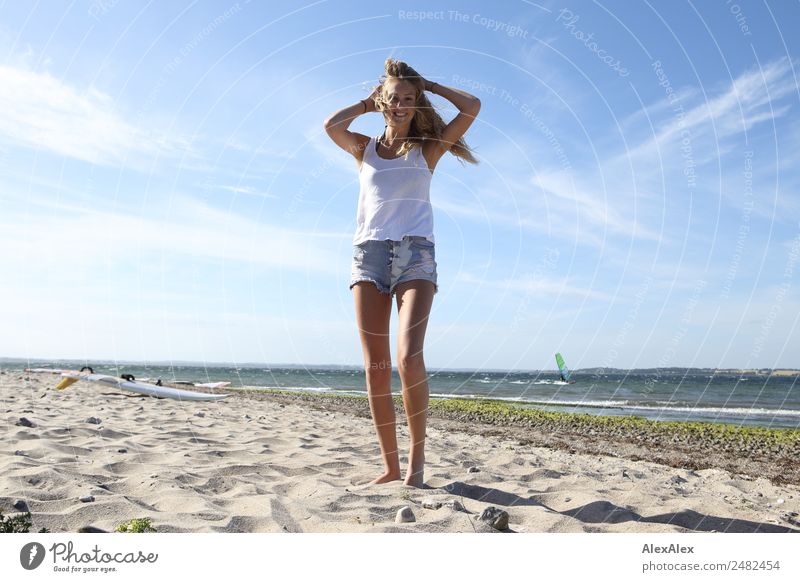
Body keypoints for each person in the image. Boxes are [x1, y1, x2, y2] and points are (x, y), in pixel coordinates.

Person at [323, 58, 480, 487]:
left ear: (416, 103)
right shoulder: (364, 149)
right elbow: (330, 126)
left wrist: (427, 82)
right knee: (376, 366)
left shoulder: (428, 148)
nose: (401, 105)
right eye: (394, 98)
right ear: (383, 99)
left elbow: (471, 107)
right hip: (368, 256)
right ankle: (390, 467)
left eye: (408, 99)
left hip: (416, 256)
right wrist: (368, 103)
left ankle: (416, 465)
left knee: (408, 359)